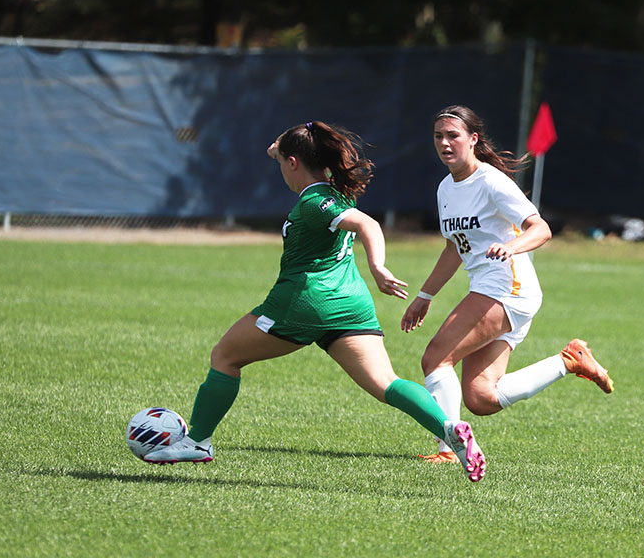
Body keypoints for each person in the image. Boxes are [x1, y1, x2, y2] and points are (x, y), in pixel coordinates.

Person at [144, 120, 486, 482]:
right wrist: (286, 148)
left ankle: (197, 441)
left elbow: (368, 224)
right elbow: (280, 151)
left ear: (294, 163)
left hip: (305, 301)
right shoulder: (338, 190)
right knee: (386, 383)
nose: (278, 167)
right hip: (350, 303)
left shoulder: (314, 201)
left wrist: (378, 266)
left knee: (225, 356)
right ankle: (448, 427)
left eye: (282, 163)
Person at [401, 105, 614, 463]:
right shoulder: (445, 189)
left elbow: (541, 228)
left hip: (506, 289)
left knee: (435, 359)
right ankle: (570, 361)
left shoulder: (492, 181)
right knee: (481, 397)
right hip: (498, 291)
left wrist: (512, 246)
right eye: (438, 135)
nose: (444, 143)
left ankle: (449, 449)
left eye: (453, 135)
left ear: (473, 139)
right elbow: (456, 246)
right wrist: (425, 295)